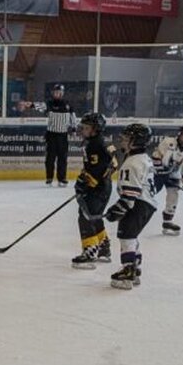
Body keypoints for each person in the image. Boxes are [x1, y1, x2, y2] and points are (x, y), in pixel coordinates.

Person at [105, 122, 158, 290]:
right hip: (147, 203)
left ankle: (128, 270)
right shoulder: (143, 158)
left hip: (138, 204)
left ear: (135, 142)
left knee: (126, 235)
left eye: (126, 138)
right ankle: (135, 267)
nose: (122, 141)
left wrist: (116, 210)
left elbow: (130, 195)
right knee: (132, 235)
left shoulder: (132, 163)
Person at [70, 112, 117, 268]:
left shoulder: (96, 144)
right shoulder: (96, 142)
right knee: (94, 217)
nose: (82, 129)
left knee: (85, 217)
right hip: (101, 187)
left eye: (86, 127)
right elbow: (110, 164)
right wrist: (84, 179)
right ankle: (104, 247)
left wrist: (87, 183)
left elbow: (106, 167)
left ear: (96, 129)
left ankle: (90, 252)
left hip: (98, 188)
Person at [152, 121, 183, 236]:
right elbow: (156, 156)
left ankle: (167, 221)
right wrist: (160, 171)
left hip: (174, 176)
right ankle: (134, 209)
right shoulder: (168, 142)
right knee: (150, 192)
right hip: (158, 174)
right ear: (180, 134)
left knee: (173, 196)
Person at [44, 86, 75, 186]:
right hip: (51, 134)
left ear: (62, 93)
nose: (56, 94)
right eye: (55, 92)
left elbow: (72, 117)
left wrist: (73, 128)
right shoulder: (49, 103)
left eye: (59, 92)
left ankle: (62, 178)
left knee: (62, 158)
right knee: (50, 158)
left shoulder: (68, 104)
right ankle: (49, 177)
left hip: (63, 135)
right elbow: (41, 108)